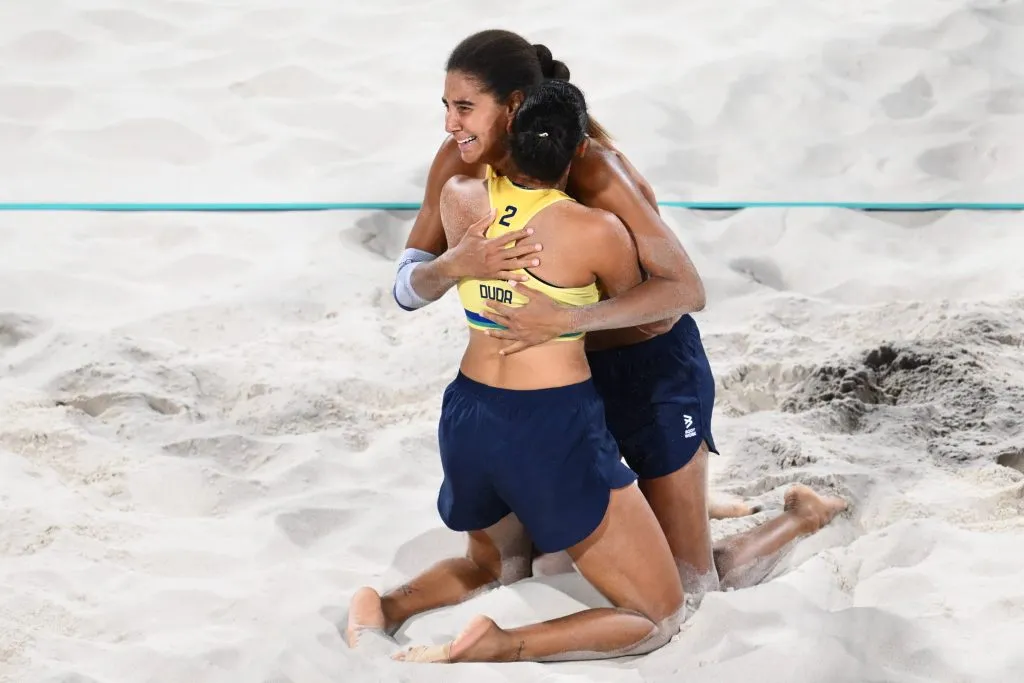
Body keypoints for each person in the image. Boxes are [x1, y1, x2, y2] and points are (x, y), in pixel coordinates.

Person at [384, 26, 849, 614]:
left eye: (464, 108)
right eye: (447, 106)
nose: (451, 124)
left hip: (648, 369)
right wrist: (455, 265)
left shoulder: (596, 168)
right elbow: (406, 286)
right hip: (563, 389)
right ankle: (671, 501)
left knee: (691, 587)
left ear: (514, 106)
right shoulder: (458, 164)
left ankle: (801, 515)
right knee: (534, 554)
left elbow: (682, 293)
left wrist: (569, 316)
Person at [353, 78, 686, 663]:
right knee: (658, 615)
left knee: (491, 564)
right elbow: (653, 318)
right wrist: (565, 314)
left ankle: (382, 607)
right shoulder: (595, 230)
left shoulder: (461, 196)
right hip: (551, 422)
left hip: (469, 412)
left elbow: (416, 279)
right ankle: (503, 643)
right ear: (578, 149)